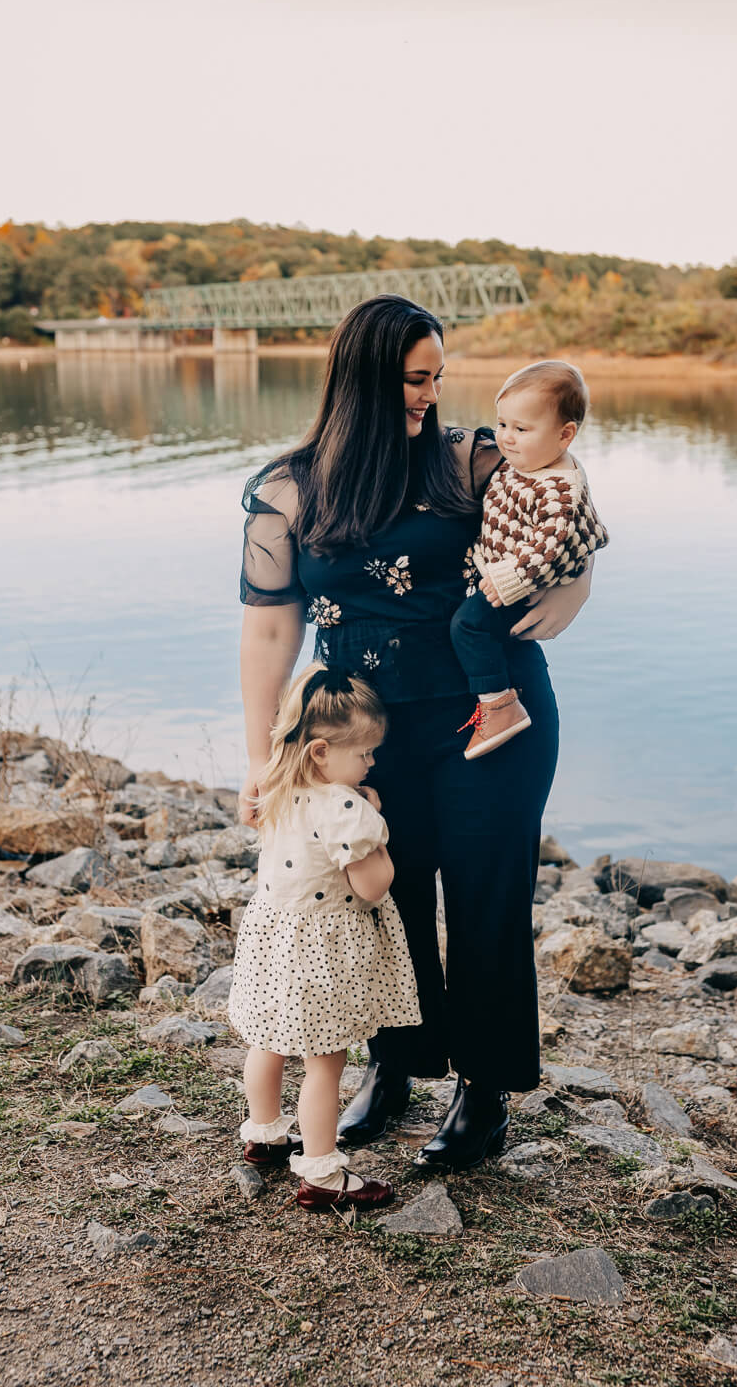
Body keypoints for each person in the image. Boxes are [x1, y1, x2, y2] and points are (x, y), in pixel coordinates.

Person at [237, 294, 593, 1171]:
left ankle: (484, 1091)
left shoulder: (470, 462)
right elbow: (269, 628)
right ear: (361, 378)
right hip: (356, 733)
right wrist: (263, 756)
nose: (431, 394)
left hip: (490, 717)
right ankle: (391, 1069)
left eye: (437, 376)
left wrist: (578, 585)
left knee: (487, 899)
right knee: (377, 897)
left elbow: (563, 504)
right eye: (413, 378)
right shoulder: (284, 488)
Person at [227, 661, 421, 1211]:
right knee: (324, 1060)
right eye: (364, 754)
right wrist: (377, 832)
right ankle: (322, 1171)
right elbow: (372, 888)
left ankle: (263, 1134)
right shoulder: (346, 808)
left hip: (272, 941)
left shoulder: (275, 787)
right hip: (321, 954)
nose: (371, 762)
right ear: (320, 752)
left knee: (268, 1041)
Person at [450, 360, 608, 759]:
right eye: (502, 424)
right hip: (499, 569)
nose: (506, 438)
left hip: (519, 584)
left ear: (565, 435)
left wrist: (509, 579)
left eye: (521, 429)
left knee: (468, 626)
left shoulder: (559, 488)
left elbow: (549, 545)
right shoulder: (529, 462)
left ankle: (499, 705)